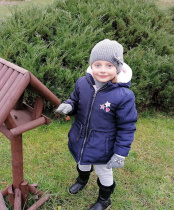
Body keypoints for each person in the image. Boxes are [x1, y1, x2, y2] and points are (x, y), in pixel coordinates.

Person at [56, 39, 137, 210]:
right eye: (97, 64)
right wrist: (69, 105)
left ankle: (104, 199)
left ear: (118, 68)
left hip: (104, 145)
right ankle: (82, 179)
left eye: (109, 65)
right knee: (81, 162)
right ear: (91, 65)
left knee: (104, 172)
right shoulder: (82, 83)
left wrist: (120, 153)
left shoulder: (124, 95)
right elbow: (75, 99)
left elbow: (127, 126)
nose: (102, 70)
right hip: (80, 137)